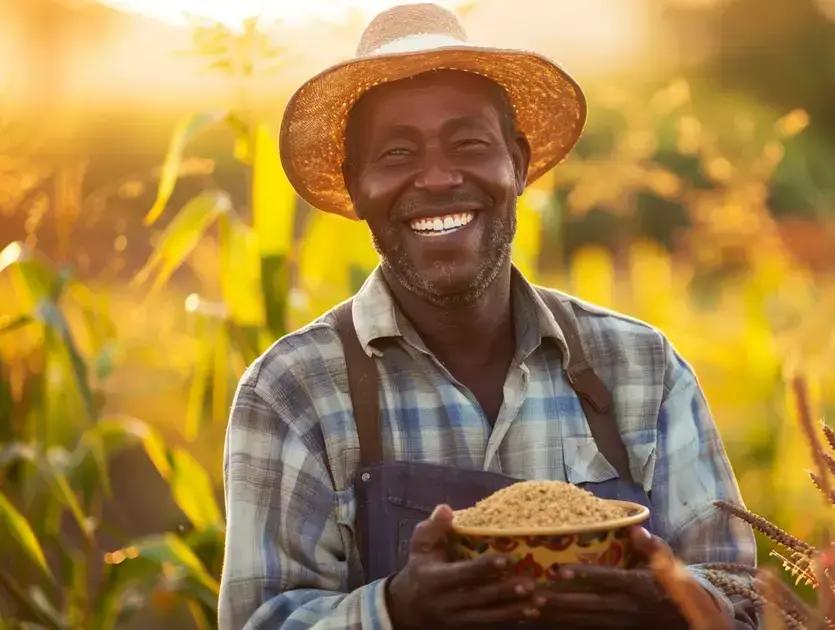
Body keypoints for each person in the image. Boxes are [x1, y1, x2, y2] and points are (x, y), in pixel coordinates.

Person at [218, 3, 756, 628]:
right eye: (396, 154)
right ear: (357, 186)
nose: (439, 178)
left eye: (468, 143)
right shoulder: (293, 390)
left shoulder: (641, 368)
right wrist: (396, 609)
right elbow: (260, 619)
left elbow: (745, 595)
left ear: (519, 164)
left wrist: (676, 602)